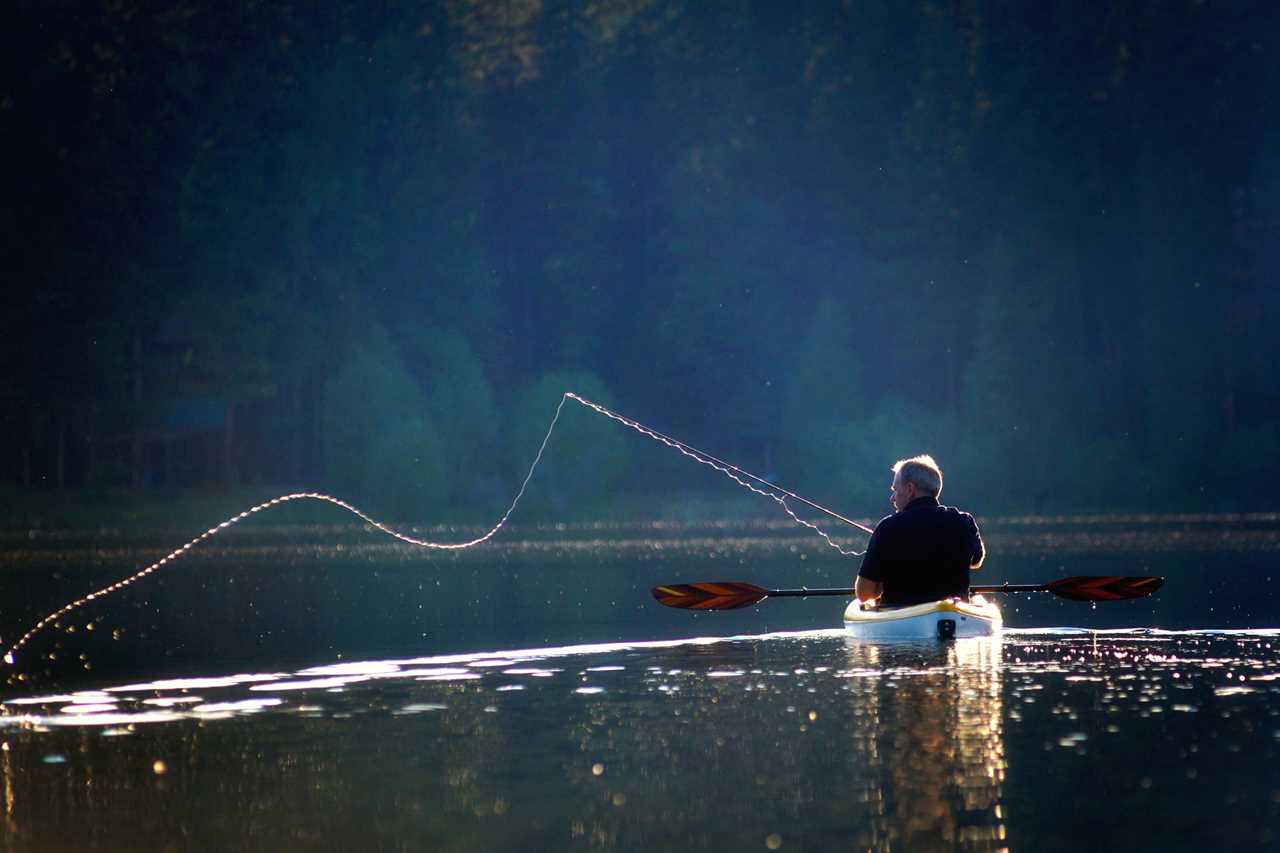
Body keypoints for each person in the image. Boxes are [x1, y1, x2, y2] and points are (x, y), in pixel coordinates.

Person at [854, 455, 984, 607]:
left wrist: (887, 576)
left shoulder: (888, 527)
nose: (892, 498)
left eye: (895, 490)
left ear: (910, 489)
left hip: (903, 618)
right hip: (954, 615)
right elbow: (976, 561)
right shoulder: (964, 521)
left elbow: (864, 594)